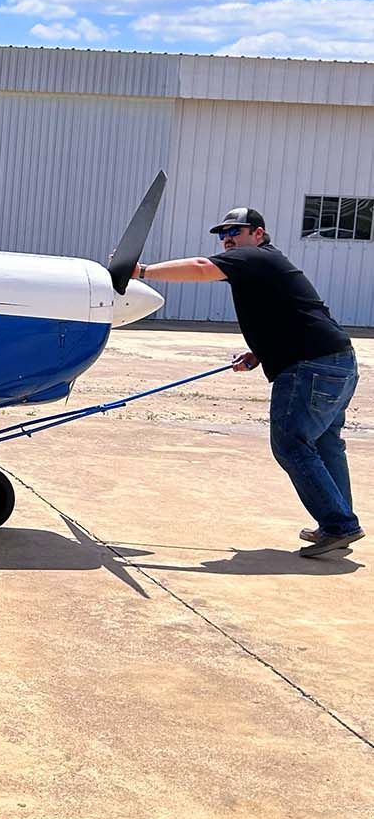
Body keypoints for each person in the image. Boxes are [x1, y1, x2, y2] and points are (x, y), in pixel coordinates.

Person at [136, 205, 361, 560]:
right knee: (325, 444)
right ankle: (340, 520)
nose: (227, 240)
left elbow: (199, 268)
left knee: (291, 444)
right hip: (336, 361)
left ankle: (339, 523)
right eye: (223, 235)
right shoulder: (261, 265)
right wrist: (260, 353)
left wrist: (143, 271)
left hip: (312, 368)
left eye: (235, 233)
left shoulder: (255, 258)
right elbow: (298, 312)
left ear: (258, 234)